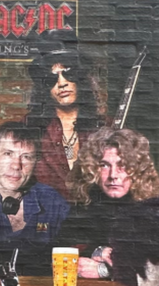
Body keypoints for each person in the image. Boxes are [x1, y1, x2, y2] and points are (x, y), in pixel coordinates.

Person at [60, 127, 159, 279]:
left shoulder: (156, 207)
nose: (113, 175)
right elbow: (62, 251)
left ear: (138, 169)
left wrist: (104, 270)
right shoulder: (86, 203)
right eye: (104, 165)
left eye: (122, 165)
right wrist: (98, 251)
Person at [0, 122, 68, 276]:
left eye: (26, 157)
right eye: (8, 154)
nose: (16, 165)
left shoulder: (53, 203)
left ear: (35, 163)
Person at [25, 32, 102, 198]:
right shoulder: (30, 131)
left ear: (80, 78)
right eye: (52, 77)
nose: (62, 83)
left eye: (68, 73)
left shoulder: (104, 129)